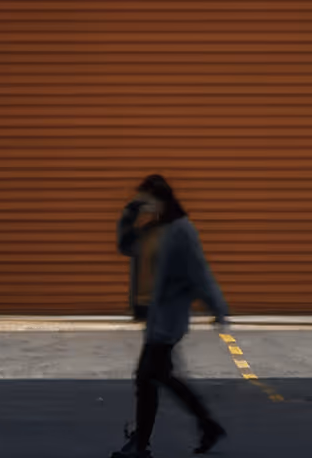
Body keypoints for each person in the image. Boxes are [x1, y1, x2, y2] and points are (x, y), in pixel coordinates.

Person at [114, 174, 229, 458]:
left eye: (146, 200)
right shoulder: (152, 229)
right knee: (159, 377)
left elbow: (199, 271)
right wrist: (128, 215)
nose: (144, 205)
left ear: (160, 198)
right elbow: (126, 246)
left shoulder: (181, 230)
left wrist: (217, 307)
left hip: (168, 317)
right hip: (152, 315)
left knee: (146, 378)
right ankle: (207, 425)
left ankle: (141, 445)